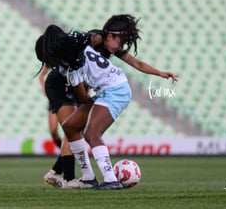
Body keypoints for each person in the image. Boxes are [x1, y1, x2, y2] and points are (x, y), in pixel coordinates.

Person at [36, 14, 178, 190]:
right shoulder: (83, 45)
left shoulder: (77, 57)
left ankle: (110, 179)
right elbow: (83, 95)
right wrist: (88, 101)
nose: (121, 46)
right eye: (121, 40)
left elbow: (83, 95)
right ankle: (88, 177)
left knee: (91, 133)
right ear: (110, 35)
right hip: (108, 89)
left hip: (115, 90)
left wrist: (159, 73)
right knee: (70, 126)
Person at [35, 25, 101, 189]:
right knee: (71, 130)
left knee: (73, 131)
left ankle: (56, 173)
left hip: (74, 87)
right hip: (58, 87)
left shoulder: (78, 47)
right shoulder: (70, 48)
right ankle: (69, 178)